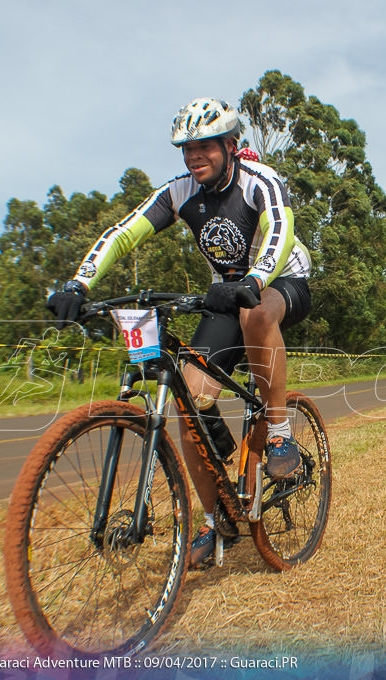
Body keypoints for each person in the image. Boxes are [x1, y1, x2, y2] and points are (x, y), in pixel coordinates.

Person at [47, 97, 312, 568]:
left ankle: (278, 430)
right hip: (226, 292)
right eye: (186, 148)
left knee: (255, 314)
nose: (194, 156)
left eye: (205, 146)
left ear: (231, 145)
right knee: (188, 399)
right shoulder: (179, 192)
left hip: (280, 280)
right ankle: (217, 521)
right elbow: (124, 232)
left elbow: (279, 230)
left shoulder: (259, 181)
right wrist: (79, 282)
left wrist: (253, 280)